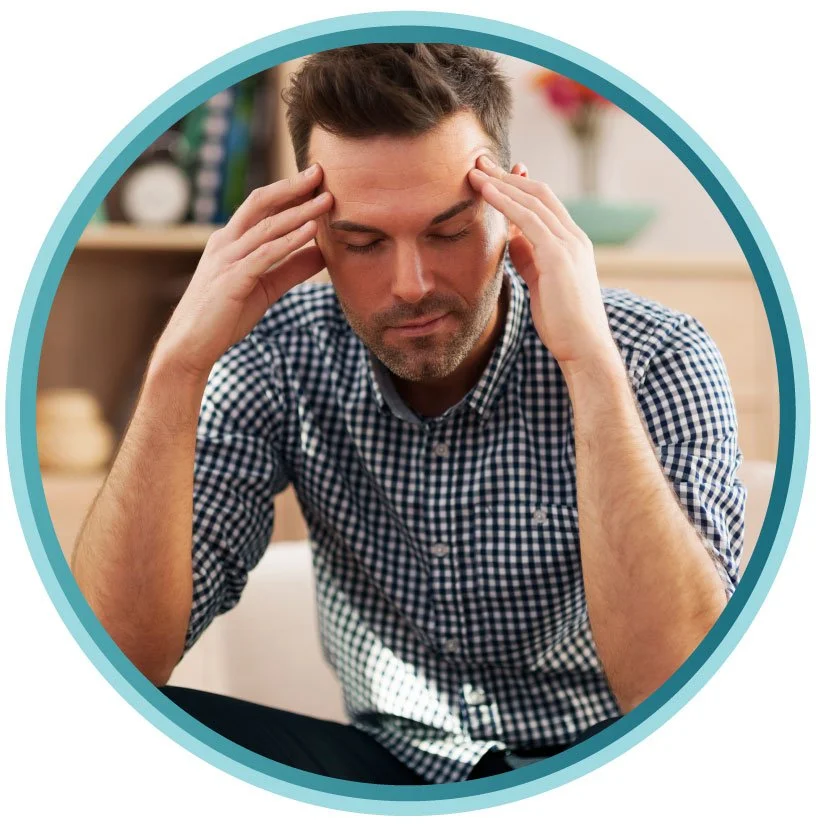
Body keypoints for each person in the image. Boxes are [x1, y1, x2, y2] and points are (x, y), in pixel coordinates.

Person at [70, 44, 746, 785]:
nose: (411, 284)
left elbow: (677, 688)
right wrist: (177, 368)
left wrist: (589, 366)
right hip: (393, 767)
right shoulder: (278, 353)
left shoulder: (657, 355)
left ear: (516, 208)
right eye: (362, 242)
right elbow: (117, 664)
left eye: (449, 231)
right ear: (314, 232)